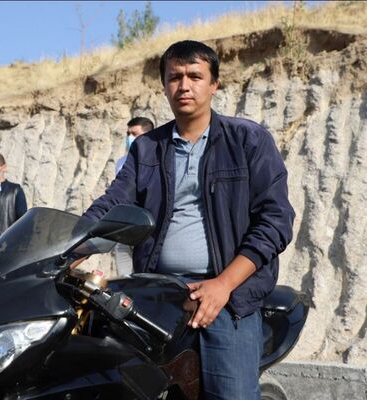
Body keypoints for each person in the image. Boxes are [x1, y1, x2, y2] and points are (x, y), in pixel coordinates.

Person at [82, 40, 295, 399]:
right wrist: (74, 244)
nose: (184, 85)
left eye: (195, 76)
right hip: (160, 294)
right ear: (164, 85)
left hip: (230, 297)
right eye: (174, 77)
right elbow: (113, 204)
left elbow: (275, 221)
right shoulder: (147, 148)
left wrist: (223, 284)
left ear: (214, 84)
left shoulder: (248, 140)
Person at [114, 117, 155, 276]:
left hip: (148, 225)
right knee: (124, 273)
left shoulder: (157, 160)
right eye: (128, 133)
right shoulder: (121, 162)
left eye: (134, 134)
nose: (129, 138)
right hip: (125, 224)